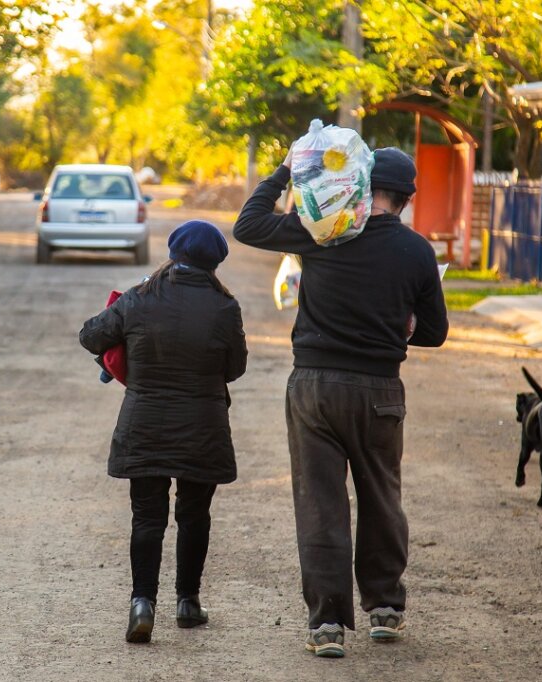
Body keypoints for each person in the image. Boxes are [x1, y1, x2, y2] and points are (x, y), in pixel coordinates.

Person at [232, 147, 448, 658]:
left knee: (320, 503)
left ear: (359, 182)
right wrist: (401, 328)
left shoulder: (323, 229)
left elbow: (248, 225)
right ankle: (386, 610)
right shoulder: (417, 252)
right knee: (381, 495)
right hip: (379, 389)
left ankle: (326, 625)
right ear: (406, 199)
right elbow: (435, 332)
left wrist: (287, 171)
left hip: (314, 388)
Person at [79, 220, 248, 644]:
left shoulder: (138, 298)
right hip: (203, 427)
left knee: (147, 516)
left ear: (174, 253)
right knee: (194, 515)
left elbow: (90, 337)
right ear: (215, 263)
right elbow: (235, 369)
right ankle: (188, 603)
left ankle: (142, 604)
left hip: (145, 424)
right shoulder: (225, 308)